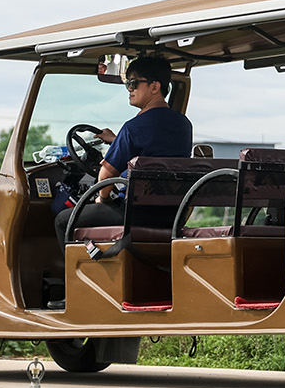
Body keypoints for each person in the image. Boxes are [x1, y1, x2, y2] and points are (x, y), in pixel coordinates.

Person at [53, 54, 193, 245]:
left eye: (134, 83)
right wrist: (116, 139)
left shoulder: (133, 128)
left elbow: (104, 177)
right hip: (171, 213)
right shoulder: (184, 125)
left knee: (63, 220)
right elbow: (156, 146)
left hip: (132, 213)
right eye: (128, 84)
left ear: (155, 86)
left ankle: (73, 275)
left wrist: (103, 200)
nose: (129, 89)